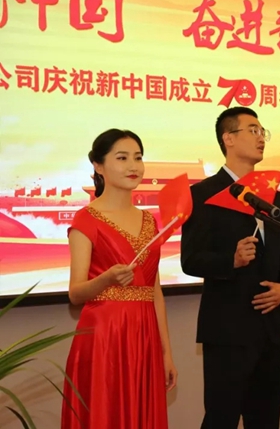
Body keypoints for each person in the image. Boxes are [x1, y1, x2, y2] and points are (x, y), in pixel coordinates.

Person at [180, 107, 280, 429]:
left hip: (271, 329)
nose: (261, 138)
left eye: (262, 131)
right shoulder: (202, 194)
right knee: (221, 419)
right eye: (253, 130)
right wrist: (229, 260)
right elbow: (190, 259)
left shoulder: (275, 197)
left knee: (266, 421)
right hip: (227, 329)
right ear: (228, 139)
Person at [61, 129, 177, 429]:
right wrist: (107, 279)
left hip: (145, 335)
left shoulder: (150, 220)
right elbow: (75, 293)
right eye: (122, 158)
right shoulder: (86, 219)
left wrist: (166, 352)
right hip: (104, 336)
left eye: (138, 158)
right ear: (98, 166)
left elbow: (154, 291)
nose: (133, 166)